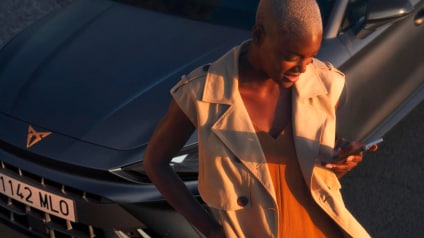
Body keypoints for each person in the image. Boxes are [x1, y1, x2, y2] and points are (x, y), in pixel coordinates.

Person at [144, 0, 376, 237]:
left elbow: (311, 173)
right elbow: (155, 162)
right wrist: (209, 230)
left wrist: (339, 161)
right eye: (292, 56)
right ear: (258, 35)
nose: (303, 68)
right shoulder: (202, 94)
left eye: (310, 57)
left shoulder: (325, 85)